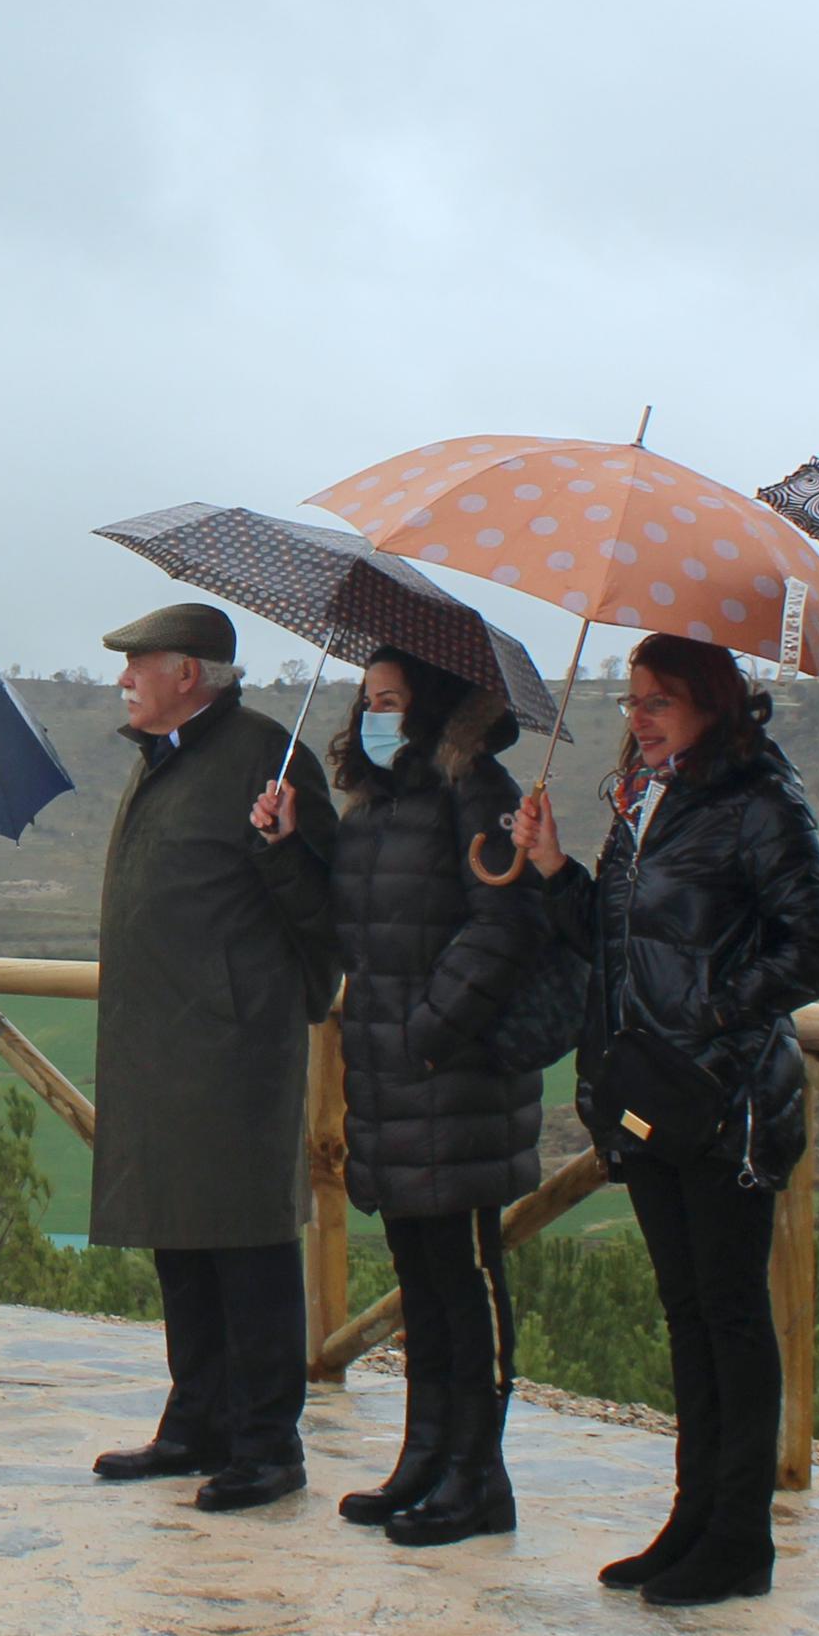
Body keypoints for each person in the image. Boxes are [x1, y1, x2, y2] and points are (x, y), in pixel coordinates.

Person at [513, 632, 819, 1609]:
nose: (638, 716)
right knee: (688, 1316)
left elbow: (817, 947)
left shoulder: (758, 803)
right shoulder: (645, 804)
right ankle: (692, 1517)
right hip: (648, 1094)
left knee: (731, 1317)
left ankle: (738, 1535)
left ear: (712, 701)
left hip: (723, 1101)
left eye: (658, 699)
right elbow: (611, 944)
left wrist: (707, 1008)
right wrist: (553, 870)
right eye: (630, 699)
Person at [263, 647, 582, 1547]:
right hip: (393, 1073)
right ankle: (423, 1456)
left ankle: (478, 1476)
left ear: (434, 706)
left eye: (392, 699)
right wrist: (289, 847)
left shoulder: (476, 792)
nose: (375, 713)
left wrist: (429, 1031)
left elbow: (505, 924)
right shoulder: (377, 807)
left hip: (455, 1073)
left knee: (466, 1278)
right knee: (421, 1278)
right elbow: (341, 926)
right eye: (367, 699)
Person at [80, 605, 340, 1513]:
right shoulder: (166, 758)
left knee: (248, 1249)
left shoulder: (270, 757)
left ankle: (268, 1445)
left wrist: (281, 845)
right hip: (159, 1043)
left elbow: (323, 909)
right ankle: (195, 1422)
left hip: (232, 1048)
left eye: (136, 663)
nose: (123, 679)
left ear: (188, 672)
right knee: (180, 1241)